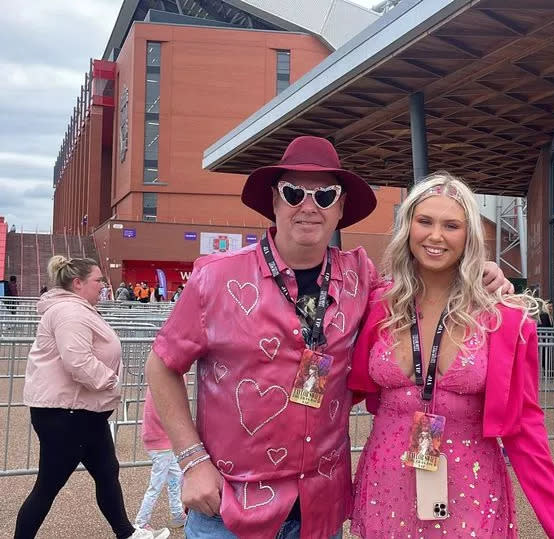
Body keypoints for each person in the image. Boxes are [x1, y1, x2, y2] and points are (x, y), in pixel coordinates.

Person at [144, 136, 510, 538]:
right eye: (294, 192)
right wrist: (192, 461)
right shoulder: (215, 277)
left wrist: (479, 277)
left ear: (339, 208)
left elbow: (423, 286)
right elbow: (161, 364)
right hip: (231, 508)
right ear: (274, 201)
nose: (308, 206)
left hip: (321, 510)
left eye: (324, 196)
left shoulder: (361, 277)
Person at [347, 173, 554, 539]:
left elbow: (525, 427)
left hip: (470, 489)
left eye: (451, 225)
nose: (436, 236)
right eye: (424, 221)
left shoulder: (503, 318)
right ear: (407, 227)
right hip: (386, 485)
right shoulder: (380, 305)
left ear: (469, 235)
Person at [14, 256, 168, 539]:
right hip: (68, 413)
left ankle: (127, 533)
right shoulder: (70, 313)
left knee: (107, 472)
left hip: (81, 411)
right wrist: (111, 381)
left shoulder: (77, 310)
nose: (103, 285)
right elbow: (77, 361)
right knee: (48, 486)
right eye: (98, 280)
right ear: (78, 283)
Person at [135, 388, 186, 532]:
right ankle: (141, 521)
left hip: (161, 440)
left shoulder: (156, 380)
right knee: (156, 485)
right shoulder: (167, 382)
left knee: (175, 476)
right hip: (161, 441)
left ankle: (177, 513)